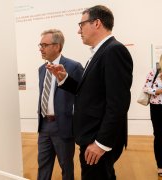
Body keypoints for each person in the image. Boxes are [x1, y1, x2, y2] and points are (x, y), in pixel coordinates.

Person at [47, 5, 133, 180]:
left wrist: (101, 144)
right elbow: (90, 93)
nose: (79, 31)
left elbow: (118, 104)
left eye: (81, 25)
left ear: (97, 23)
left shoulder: (113, 51)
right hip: (91, 136)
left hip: (97, 139)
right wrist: (63, 78)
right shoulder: (101, 51)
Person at [37, 29, 83, 180]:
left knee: (66, 166)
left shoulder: (74, 67)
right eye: (40, 45)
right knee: (43, 165)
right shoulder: (41, 69)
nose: (41, 48)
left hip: (62, 125)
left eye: (44, 45)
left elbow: (81, 95)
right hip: (44, 125)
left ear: (57, 46)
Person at [142, 55, 162, 177]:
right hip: (157, 108)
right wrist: (157, 91)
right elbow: (146, 88)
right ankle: (161, 165)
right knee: (159, 136)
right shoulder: (155, 71)